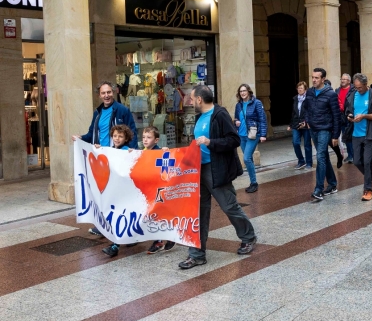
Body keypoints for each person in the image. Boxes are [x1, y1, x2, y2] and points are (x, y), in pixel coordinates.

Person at [179, 85, 257, 269]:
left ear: (199, 99)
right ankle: (196, 254)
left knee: (229, 206)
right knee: (198, 212)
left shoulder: (219, 114)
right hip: (198, 170)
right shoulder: (199, 118)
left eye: (191, 98)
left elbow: (234, 140)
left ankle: (248, 237)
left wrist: (210, 142)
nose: (190, 101)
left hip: (216, 169)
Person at [72, 81, 138, 237]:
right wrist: (81, 138)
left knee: (118, 194)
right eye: (103, 93)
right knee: (102, 193)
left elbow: (132, 132)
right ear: (99, 95)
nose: (106, 95)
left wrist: (131, 152)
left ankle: (123, 225)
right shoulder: (98, 112)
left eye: (109, 92)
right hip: (101, 160)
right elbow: (90, 134)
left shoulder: (122, 110)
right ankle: (103, 225)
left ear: (113, 92)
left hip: (117, 158)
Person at [343, 73, 372, 201]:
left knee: (367, 162)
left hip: (370, 134)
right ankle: (371, 176)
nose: (358, 90)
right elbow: (347, 111)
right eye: (356, 87)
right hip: (355, 134)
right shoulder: (352, 95)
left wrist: (364, 116)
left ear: (366, 85)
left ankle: (368, 190)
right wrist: (350, 116)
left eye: (360, 87)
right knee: (357, 161)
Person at [305, 68, 341, 201]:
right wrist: (307, 120)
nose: (314, 80)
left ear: (323, 79)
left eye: (316, 78)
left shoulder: (330, 94)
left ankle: (318, 189)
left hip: (325, 129)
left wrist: (336, 135)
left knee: (320, 156)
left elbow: (336, 116)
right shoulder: (309, 92)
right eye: (313, 77)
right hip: (313, 128)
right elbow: (306, 108)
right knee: (324, 156)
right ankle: (332, 184)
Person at [141, 126, 177, 255]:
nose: (145, 140)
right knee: (153, 214)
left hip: (159, 189)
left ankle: (161, 239)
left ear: (156, 140)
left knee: (159, 213)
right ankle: (165, 237)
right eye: (144, 137)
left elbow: (166, 164)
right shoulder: (142, 152)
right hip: (148, 189)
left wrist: (165, 151)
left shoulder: (158, 152)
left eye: (149, 137)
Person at [100, 124, 135, 257]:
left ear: (126, 138)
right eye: (115, 136)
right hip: (115, 191)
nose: (117, 138)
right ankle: (129, 238)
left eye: (120, 136)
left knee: (119, 218)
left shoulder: (127, 150)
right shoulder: (110, 150)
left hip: (125, 192)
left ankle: (115, 246)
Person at [234, 84, 267, 194]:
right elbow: (236, 119)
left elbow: (262, 119)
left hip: (253, 134)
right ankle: (253, 182)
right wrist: (236, 123)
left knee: (247, 158)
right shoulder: (238, 105)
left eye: (244, 90)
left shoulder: (256, 103)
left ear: (248, 91)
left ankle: (254, 183)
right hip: (242, 135)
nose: (242, 93)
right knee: (249, 159)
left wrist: (263, 134)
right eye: (241, 91)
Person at [288, 81, 312, 170]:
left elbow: (310, 112)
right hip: (296, 124)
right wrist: (290, 124)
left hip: (305, 124)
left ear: (305, 89)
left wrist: (306, 122)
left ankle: (309, 162)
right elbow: (293, 113)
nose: (299, 90)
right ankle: (301, 161)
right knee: (295, 142)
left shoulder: (309, 99)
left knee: (307, 144)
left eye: (301, 88)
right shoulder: (295, 99)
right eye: (298, 88)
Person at [324, 79, 345, 168]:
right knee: (325, 143)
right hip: (322, 123)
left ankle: (339, 155)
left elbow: (341, 107)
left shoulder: (333, 95)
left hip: (332, 122)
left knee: (332, 141)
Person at [336, 73, 354, 164]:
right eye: (341, 79)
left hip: (351, 115)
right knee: (345, 137)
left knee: (352, 137)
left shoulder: (353, 90)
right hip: (341, 116)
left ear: (349, 81)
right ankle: (350, 155)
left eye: (344, 79)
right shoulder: (337, 90)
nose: (342, 81)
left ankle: (354, 155)